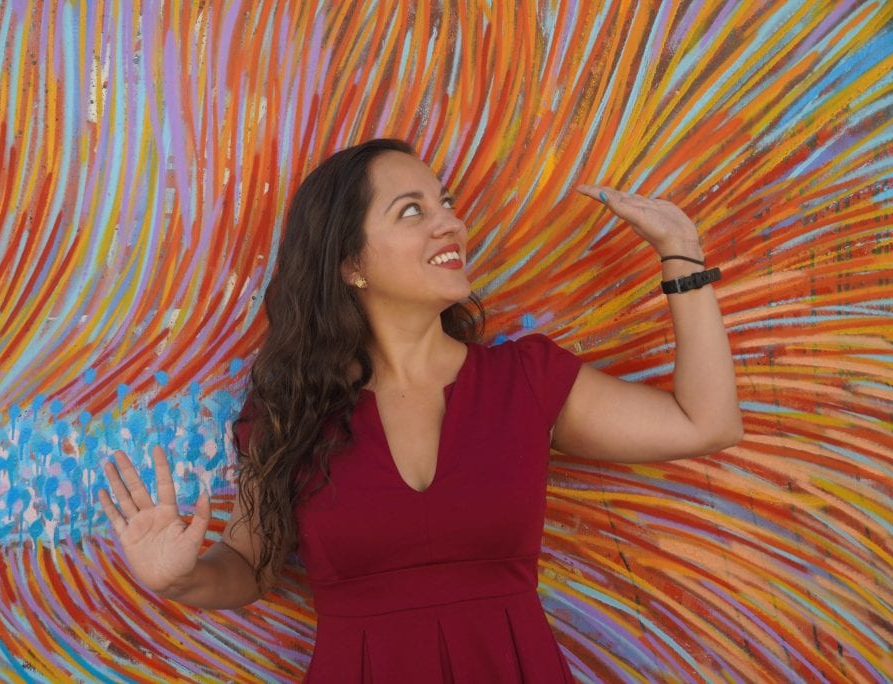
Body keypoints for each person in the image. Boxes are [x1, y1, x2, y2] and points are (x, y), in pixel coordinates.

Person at [99, 138, 743, 682]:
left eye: (448, 205)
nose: (450, 224)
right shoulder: (289, 412)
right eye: (413, 211)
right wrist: (175, 579)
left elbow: (705, 423)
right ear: (351, 262)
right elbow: (247, 568)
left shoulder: (526, 380)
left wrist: (681, 252)